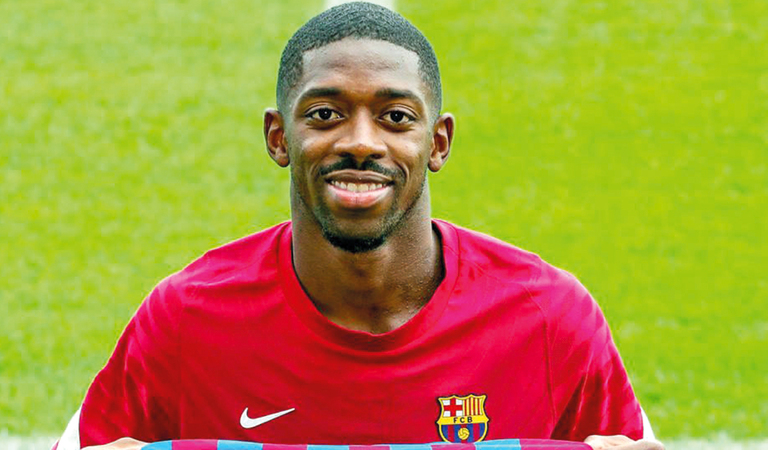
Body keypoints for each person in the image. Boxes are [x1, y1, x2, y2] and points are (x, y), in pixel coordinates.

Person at [54, 3, 663, 450]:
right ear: (278, 137)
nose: (361, 142)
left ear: (438, 142)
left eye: (395, 117)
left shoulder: (550, 318)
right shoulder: (187, 319)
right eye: (326, 114)